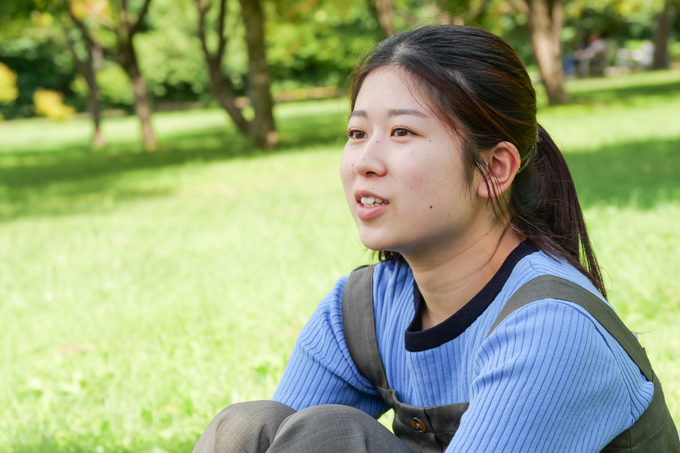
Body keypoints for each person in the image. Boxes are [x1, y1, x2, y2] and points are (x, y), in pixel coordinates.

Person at [192, 25, 680, 452]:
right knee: (246, 428)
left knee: (330, 437)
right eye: (358, 133)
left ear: (493, 168)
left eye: (402, 132)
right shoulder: (363, 312)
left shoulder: (551, 328)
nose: (365, 160)